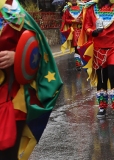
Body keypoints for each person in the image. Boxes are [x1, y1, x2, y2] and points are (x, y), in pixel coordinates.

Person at [0, 0, 63, 159]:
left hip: (12, 100)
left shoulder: (12, 10)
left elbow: (35, 48)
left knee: (7, 155)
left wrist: (17, 57)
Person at [60, 0, 84, 71]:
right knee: (77, 47)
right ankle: (78, 63)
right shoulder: (67, 9)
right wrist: (74, 21)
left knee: (83, 47)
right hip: (74, 31)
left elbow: (87, 17)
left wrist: (81, 20)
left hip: (83, 30)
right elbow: (65, 20)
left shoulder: (83, 7)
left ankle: (81, 61)